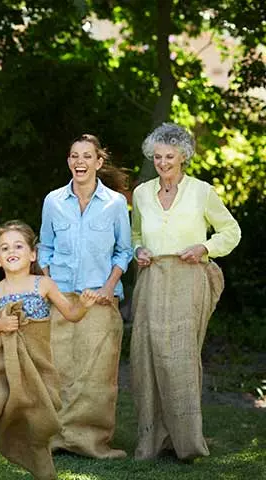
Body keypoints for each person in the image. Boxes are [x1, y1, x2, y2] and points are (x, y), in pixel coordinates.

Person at [130, 123, 241, 461]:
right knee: (146, 358)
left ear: (183, 157)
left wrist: (204, 248)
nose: (163, 163)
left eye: (170, 157)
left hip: (188, 279)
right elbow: (136, 236)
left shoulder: (202, 191)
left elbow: (231, 231)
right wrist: (139, 252)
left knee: (179, 358)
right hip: (152, 280)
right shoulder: (141, 193)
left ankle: (187, 442)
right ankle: (152, 441)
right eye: (158, 156)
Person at [0, 220, 99, 480]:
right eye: (4, 248)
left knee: (37, 419)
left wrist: (83, 305)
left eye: (18, 246)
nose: (11, 251)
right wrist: (0, 325)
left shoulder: (43, 285)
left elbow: (71, 314)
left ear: (32, 254)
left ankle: (43, 471)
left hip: (37, 366)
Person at [38, 134, 133, 459]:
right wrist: (49, 283)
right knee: (57, 369)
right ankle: (53, 438)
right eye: (74, 156)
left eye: (87, 156)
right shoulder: (53, 201)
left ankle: (92, 442)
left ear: (98, 162)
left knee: (96, 375)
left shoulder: (115, 204)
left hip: (100, 301)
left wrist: (109, 287)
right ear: (69, 162)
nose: (80, 162)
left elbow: (124, 250)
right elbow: (45, 247)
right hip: (61, 298)